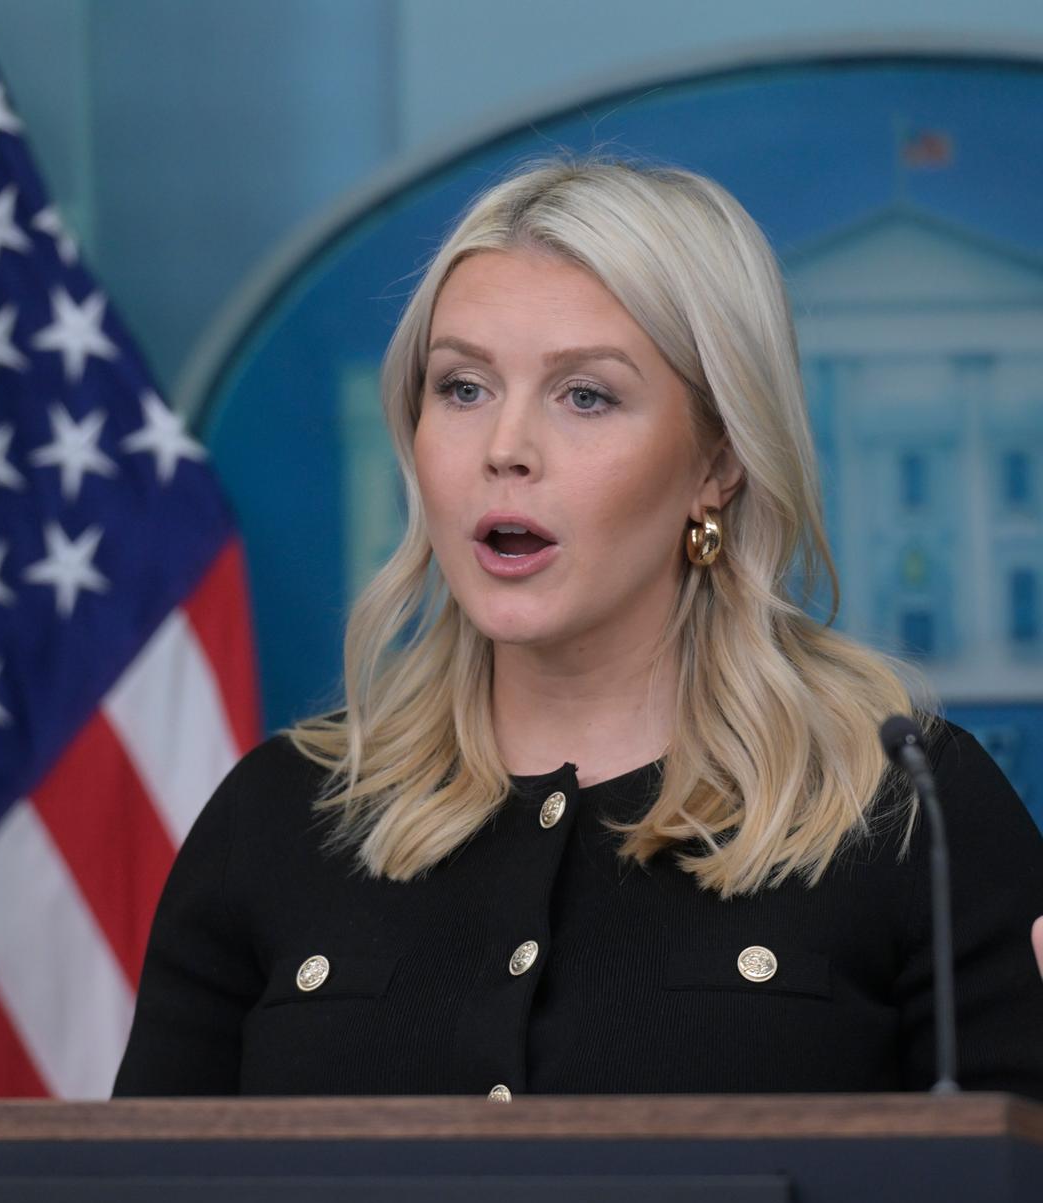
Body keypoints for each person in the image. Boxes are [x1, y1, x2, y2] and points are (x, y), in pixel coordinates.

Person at [113, 158, 1043, 1099]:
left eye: (585, 396)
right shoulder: (277, 818)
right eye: (463, 388)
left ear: (718, 462)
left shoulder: (906, 812)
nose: (505, 449)